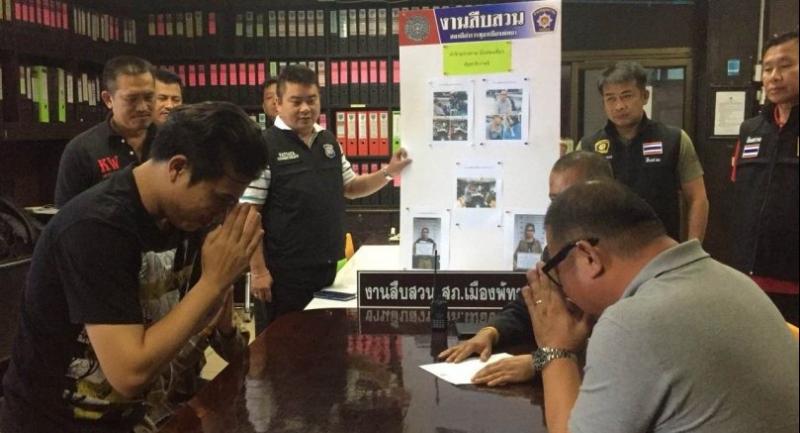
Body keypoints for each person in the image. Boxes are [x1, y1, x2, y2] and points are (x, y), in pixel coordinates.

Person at [0, 102, 269, 432]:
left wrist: (221, 305)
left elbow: (205, 335)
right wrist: (213, 283)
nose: (225, 212)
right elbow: (129, 373)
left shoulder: (188, 218)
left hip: (139, 417)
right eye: (222, 199)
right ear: (177, 168)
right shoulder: (96, 227)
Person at [521, 180, 798, 433]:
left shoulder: (631, 323)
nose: (562, 289)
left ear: (588, 257)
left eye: (556, 271)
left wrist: (555, 349)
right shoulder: (732, 280)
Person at [245, 65, 411, 335]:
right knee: (285, 347)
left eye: (311, 100)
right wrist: (258, 270)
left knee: (327, 342)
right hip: (283, 275)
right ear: (278, 103)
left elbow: (352, 187)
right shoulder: (264, 146)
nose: (305, 109)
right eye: (296, 101)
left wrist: (389, 172)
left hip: (327, 269)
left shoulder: (328, 142)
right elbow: (249, 213)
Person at [439, 151, 613, 387]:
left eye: (568, 199)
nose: (557, 211)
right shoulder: (557, 249)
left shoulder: (619, 253)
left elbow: (608, 343)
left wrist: (538, 362)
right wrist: (490, 332)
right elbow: (531, 305)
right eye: (554, 200)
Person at [578, 61, 708, 242]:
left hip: (661, 249)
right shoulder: (588, 146)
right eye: (611, 98)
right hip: (607, 250)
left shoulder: (674, 140)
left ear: (645, 96)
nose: (619, 106)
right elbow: (577, 204)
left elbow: (697, 198)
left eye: (627, 96)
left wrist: (694, 247)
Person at [730, 31, 799, 325]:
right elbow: (740, 196)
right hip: (750, 279)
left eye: (785, 65)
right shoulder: (751, 130)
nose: (774, 76)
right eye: (768, 68)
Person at [55, 56, 158, 207]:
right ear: (108, 99)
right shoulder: (82, 150)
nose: (142, 107)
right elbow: (66, 214)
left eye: (149, 97)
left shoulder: (172, 139)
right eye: (131, 99)